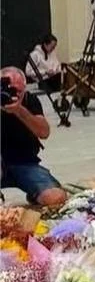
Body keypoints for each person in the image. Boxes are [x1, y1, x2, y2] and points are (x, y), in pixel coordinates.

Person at [0, 67, 65, 207]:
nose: (12, 95)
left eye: (17, 91)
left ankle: (35, 194)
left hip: (24, 164)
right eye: (7, 89)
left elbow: (44, 132)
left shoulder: (30, 101)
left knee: (56, 198)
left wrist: (19, 111)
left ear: (24, 88)